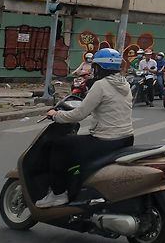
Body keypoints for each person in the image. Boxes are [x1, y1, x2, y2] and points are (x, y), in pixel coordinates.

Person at [36, 48, 134, 208]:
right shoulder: (125, 84)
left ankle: (58, 194)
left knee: (59, 146)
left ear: (100, 67)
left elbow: (79, 114)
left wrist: (56, 115)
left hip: (106, 140)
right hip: (126, 138)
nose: (93, 70)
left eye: (95, 67)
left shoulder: (101, 85)